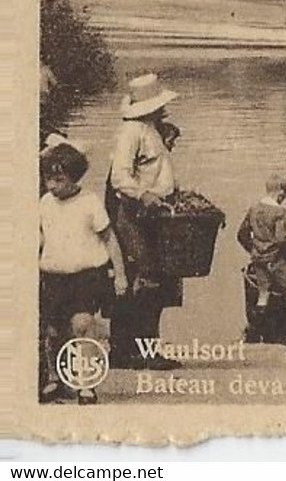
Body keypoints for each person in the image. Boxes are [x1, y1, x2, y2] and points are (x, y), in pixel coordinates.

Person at [105, 73, 181, 371]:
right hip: (135, 213)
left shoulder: (149, 129)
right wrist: (145, 195)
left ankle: (137, 349)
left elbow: (155, 170)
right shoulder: (131, 133)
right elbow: (119, 178)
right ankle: (133, 350)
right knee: (143, 279)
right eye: (160, 106)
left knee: (154, 279)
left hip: (153, 213)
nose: (164, 110)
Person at [40, 143, 127, 404]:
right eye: (47, 179)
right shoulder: (44, 202)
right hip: (54, 275)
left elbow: (110, 239)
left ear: (74, 177)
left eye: (59, 179)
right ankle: (57, 379)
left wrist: (120, 274)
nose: (52, 185)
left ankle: (86, 383)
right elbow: (40, 237)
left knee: (82, 324)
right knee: (54, 330)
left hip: (86, 275)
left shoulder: (89, 202)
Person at [238, 173, 286, 318]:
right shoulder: (279, 211)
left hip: (258, 258)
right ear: (280, 192)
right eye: (285, 192)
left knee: (263, 292)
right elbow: (280, 240)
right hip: (276, 259)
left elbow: (241, 234)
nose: (285, 196)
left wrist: (254, 249)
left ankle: (260, 326)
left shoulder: (254, 208)